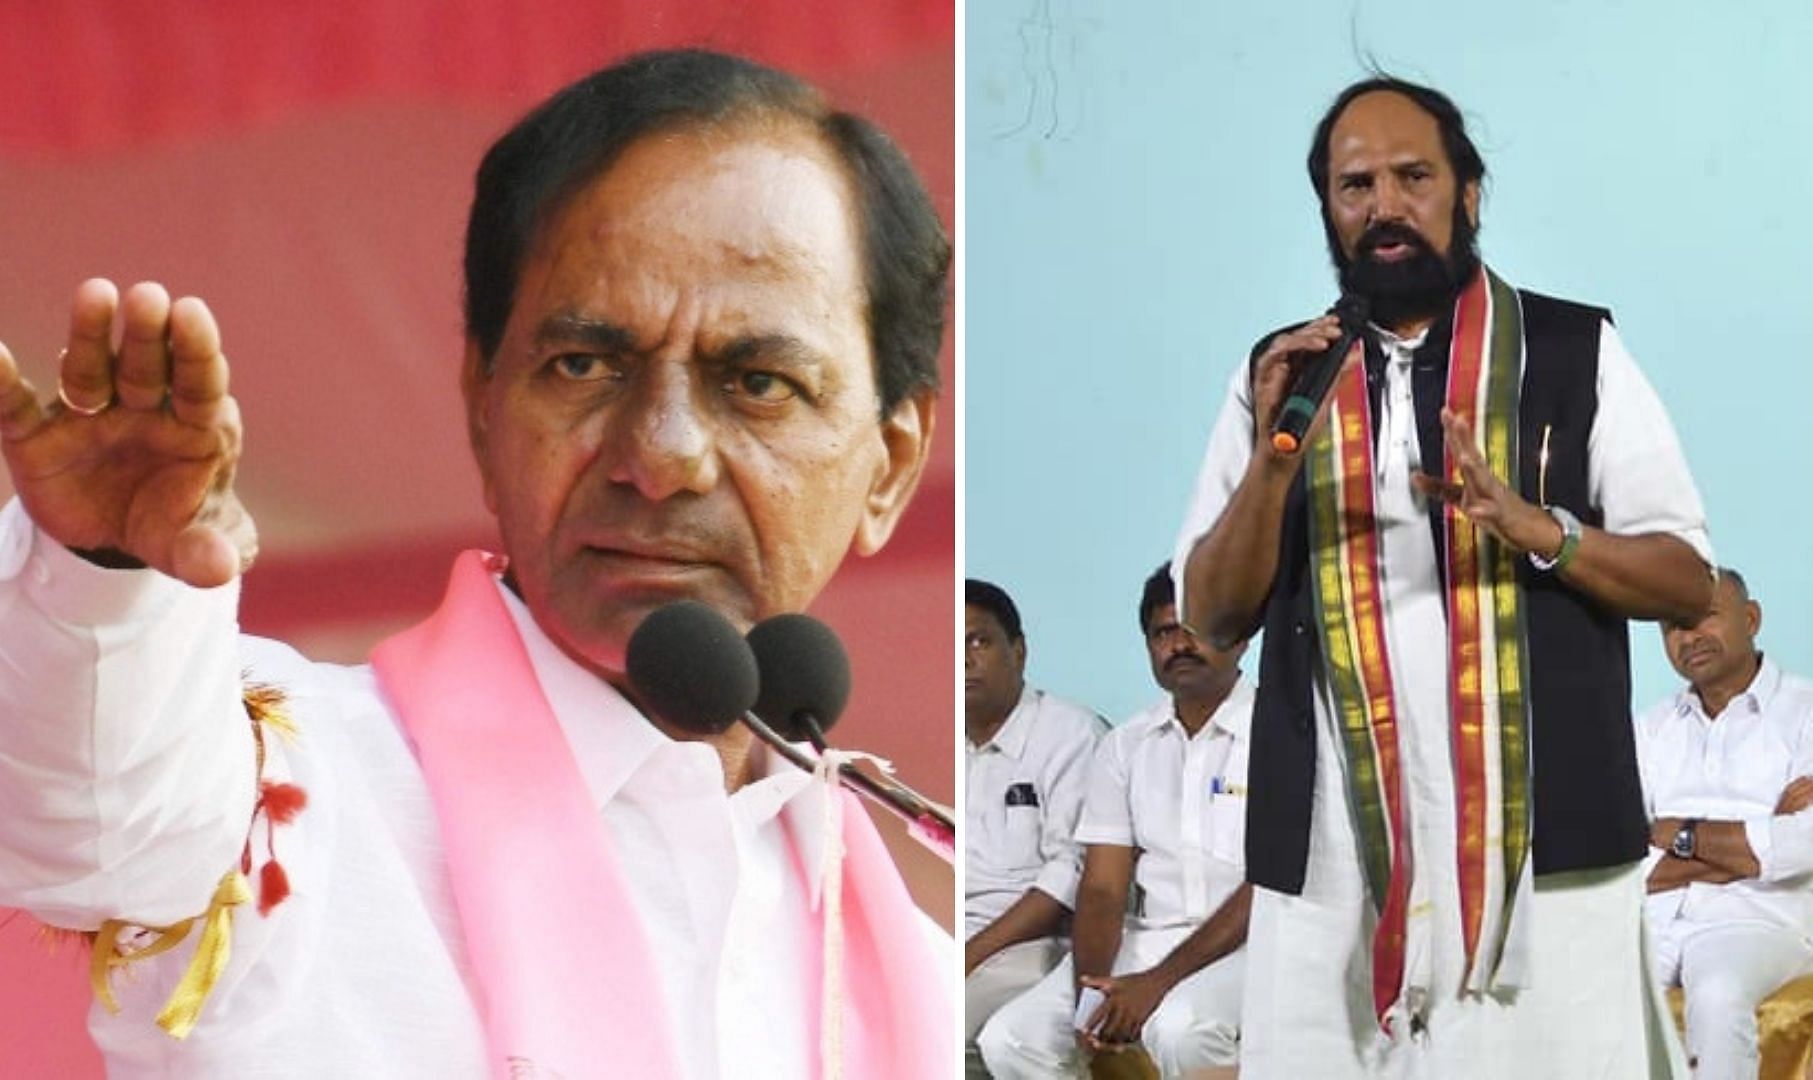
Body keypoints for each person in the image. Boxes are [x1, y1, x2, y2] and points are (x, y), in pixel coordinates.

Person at [0, 50, 950, 1079]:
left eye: (758, 382)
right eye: (584, 365)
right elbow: (86, 804)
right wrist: (101, 574)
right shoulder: (286, 790)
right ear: (483, 403)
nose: (664, 453)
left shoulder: (923, 974)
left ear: (891, 466)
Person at [1174, 76, 1715, 1077]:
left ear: (1470, 194)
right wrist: (1272, 463)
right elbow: (1209, 616)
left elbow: (1688, 582)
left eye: (1413, 176)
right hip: (1334, 858)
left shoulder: (1571, 350)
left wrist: (1540, 529)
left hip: (1541, 854)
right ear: (1328, 210)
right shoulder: (1285, 372)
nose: (1384, 206)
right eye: (1355, 185)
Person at [979, 563, 1254, 1078]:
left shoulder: (1279, 734)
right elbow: (1103, 888)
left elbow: (1266, 885)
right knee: (1012, 1039)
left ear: (1238, 640)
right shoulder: (1125, 746)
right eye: (1164, 633)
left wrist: (1156, 983)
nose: (1180, 645)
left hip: (1251, 945)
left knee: (1180, 1029)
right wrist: (1093, 989)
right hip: (1148, 938)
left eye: (1195, 629)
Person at [1639, 568, 1813, 1080]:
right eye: (1673, 627)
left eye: (1705, 618)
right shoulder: (1649, 730)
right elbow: (1629, 863)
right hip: (1653, 918)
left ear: (1751, 619)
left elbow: (1804, 845)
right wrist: (1759, 831)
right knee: (1574, 992)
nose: (1689, 637)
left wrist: (1676, 833)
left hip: (1761, 919)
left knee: (1716, 994)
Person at [963, 578, 1106, 1074]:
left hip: (1036, 946)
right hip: (958, 940)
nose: (964, 660)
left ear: (1018, 652)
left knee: (940, 1025)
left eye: (978, 641)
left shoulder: (1071, 734)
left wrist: (969, 955)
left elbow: (1070, 877)